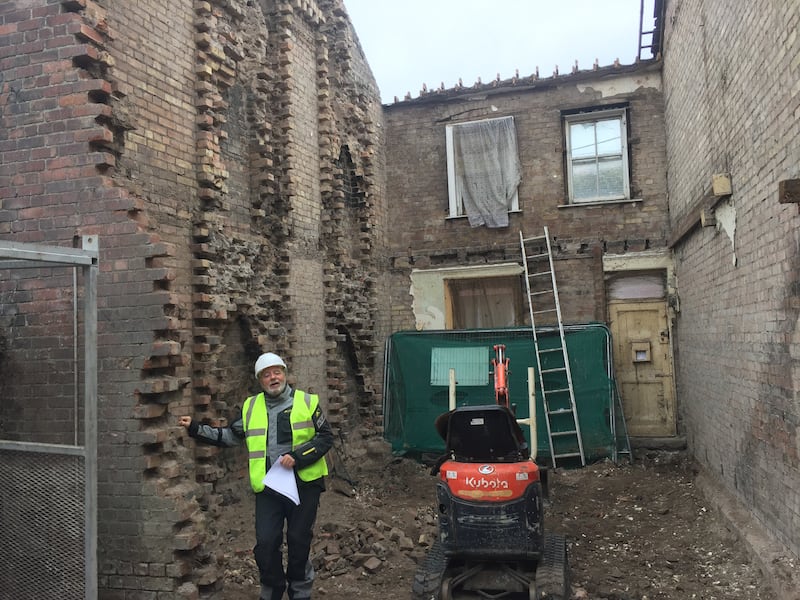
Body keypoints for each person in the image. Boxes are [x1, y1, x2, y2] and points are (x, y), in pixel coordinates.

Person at [179, 352, 333, 600]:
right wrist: (195, 428)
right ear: (260, 380)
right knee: (266, 544)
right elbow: (230, 436)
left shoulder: (307, 402)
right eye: (266, 374)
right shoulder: (251, 407)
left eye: (277, 372)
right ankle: (272, 591)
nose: (273, 378)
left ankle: (300, 593)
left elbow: (326, 437)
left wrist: (298, 456)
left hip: (304, 485)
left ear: (284, 373)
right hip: (269, 488)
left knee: (298, 541)